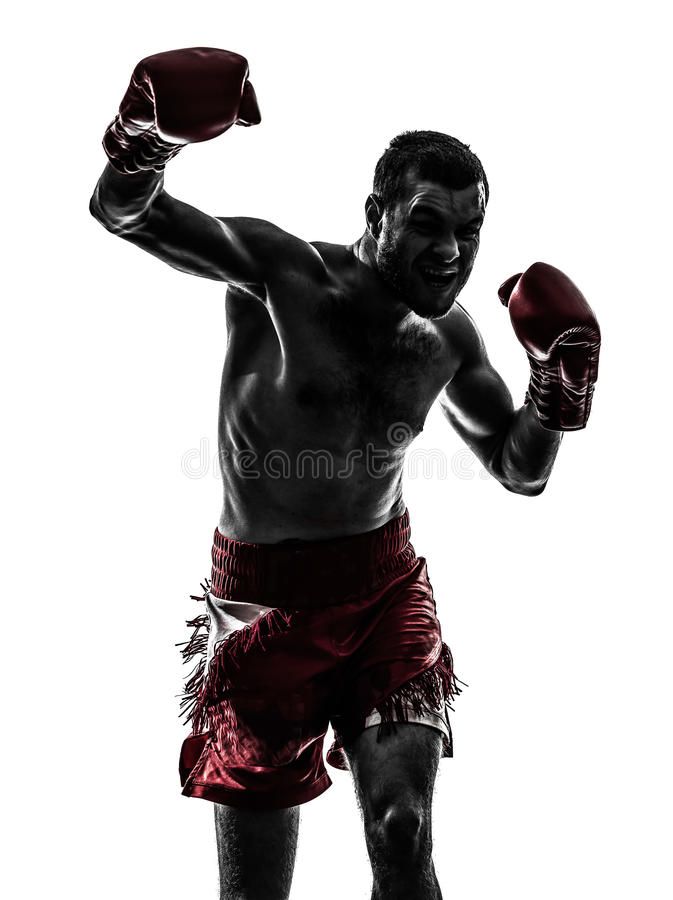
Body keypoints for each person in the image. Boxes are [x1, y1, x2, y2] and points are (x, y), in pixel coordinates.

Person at [90, 46, 600, 900]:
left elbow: (520, 471)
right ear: (377, 212)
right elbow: (128, 215)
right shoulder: (279, 272)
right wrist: (144, 139)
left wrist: (556, 393)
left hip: (383, 590)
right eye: (429, 224)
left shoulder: (448, 339)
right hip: (262, 601)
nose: (452, 252)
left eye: (469, 231)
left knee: (401, 830)